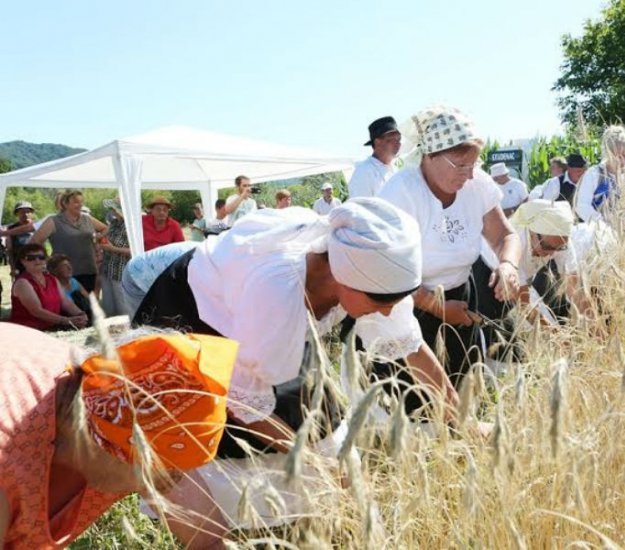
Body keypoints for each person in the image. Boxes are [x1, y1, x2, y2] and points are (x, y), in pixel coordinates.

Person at [123, 199, 460, 542]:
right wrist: (310, 460)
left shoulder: (372, 278)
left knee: (321, 424)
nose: (387, 314)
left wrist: (460, 417)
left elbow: (411, 347)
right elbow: (245, 406)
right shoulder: (276, 286)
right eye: (381, 305)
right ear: (342, 277)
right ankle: (234, 535)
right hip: (192, 320)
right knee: (195, 436)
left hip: (260, 321)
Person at [0, 323, 237, 549]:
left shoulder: (119, 401)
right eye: (165, 471)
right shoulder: (8, 455)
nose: (173, 481)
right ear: (104, 444)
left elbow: (211, 541)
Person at [378, 106, 521, 411]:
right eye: (460, 165)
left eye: (473, 164)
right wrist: (437, 307)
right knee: (421, 399)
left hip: (461, 297)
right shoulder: (401, 193)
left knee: (463, 384)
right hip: (411, 303)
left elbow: (504, 237)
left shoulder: (478, 184)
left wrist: (507, 264)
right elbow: (386, 273)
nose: (469, 175)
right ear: (430, 156)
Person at [506, 200, 600, 324]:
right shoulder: (515, 243)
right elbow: (524, 305)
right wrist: (557, 337)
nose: (551, 254)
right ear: (532, 232)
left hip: (521, 283)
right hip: (489, 278)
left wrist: (595, 325)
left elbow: (576, 290)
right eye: (547, 247)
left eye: (558, 248)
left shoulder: (561, 242)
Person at [30, 190, 108, 293]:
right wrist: (46, 259)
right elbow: (34, 241)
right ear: (65, 204)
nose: (80, 205)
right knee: (68, 307)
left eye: (81, 202)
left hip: (89, 270)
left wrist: (100, 243)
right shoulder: (53, 221)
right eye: (76, 202)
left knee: (88, 305)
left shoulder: (87, 218)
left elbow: (105, 229)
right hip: (63, 273)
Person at [9, 243, 88, 331]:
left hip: (51, 328)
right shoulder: (22, 283)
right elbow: (36, 311)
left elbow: (65, 302)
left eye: (41, 257)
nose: (37, 260)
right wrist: (66, 321)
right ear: (23, 261)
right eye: (31, 258)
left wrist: (80, 314)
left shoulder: (52, 279)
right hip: (27, 331)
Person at [576, 125, 625, 223]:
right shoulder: (594, 174)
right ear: (609, 152)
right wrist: (604, 223)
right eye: (619, 155)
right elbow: (582, 206)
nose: (624, 159)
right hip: (599, 232)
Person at [347, 116, 401, 198]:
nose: (398, 143)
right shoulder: (364, 172)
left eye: (399, 139)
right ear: (377, 142)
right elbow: (360, 208)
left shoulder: (394, 169)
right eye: (393, 139)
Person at [98, 200, 132, 316]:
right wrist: (98, 239)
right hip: (107, 270)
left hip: (121, 272)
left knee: (123, 309)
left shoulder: (132, 226)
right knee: (109, 308)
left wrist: (113, 249)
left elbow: (136, 251)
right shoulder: (114, 223)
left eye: (114, 209)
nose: (112, 211)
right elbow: (102, 236)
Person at [46, 254, 92, 319]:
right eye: (64, 266)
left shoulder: (73, 281)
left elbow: (89, 299)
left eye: (69, 265)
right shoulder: (54, 287)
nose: (69, 268)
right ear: (55, 271)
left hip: (84, 316)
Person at [2, 201, 37, 276]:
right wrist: (13, 268)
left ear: (31, 213)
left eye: (28, 212)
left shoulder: (38, 226)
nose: (25, 214)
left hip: (37, 264)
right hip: (19, 266)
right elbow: (10, 250)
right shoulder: (11, 229)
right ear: (17, 214)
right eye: (22, 212)